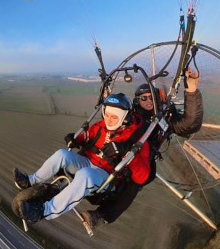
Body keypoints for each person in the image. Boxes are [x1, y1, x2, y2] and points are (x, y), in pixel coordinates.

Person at [77, 68, 203, 229]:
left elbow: (190, 125)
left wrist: (191, 89)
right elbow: (111, 118)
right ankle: (61, 181)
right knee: (91, 150)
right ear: (137, 100)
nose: (148, 101)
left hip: (140, 157)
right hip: (117, 148)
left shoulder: (166, 117)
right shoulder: (131, 113)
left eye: (152, 97)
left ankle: (101, 216)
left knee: (134, 182)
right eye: (144, 98)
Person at [12, 93, 151, 229]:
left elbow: (142, 177)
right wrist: (74, 139)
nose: (108, 120)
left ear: (125, 118)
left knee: (86, 175)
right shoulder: (101, 126)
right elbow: (87, 136)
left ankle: (42, 212)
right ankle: (30, 181)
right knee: (62, 154)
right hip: (88, 162)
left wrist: (125, 151)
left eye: (114, 117)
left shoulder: (138, 140)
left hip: (107, 177)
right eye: (107, 115)